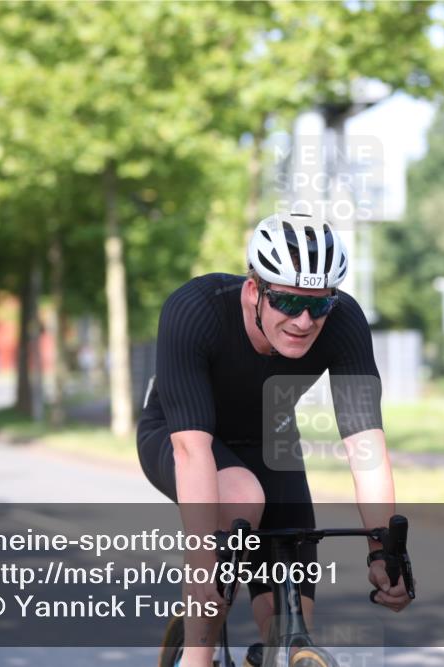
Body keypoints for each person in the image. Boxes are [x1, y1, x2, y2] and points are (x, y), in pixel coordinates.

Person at [137, 212, 410, 667]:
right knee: (242, 495)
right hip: (178, 433)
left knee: (288, 622)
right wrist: (203, 557)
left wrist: (384, 551)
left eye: (319, 305)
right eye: (287, 301)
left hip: (269, 442)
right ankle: (197, 659)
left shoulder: (343, 324)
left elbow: (367, 447)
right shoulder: (195, 309)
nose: (304, 321)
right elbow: (192, 450)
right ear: (254, 291)